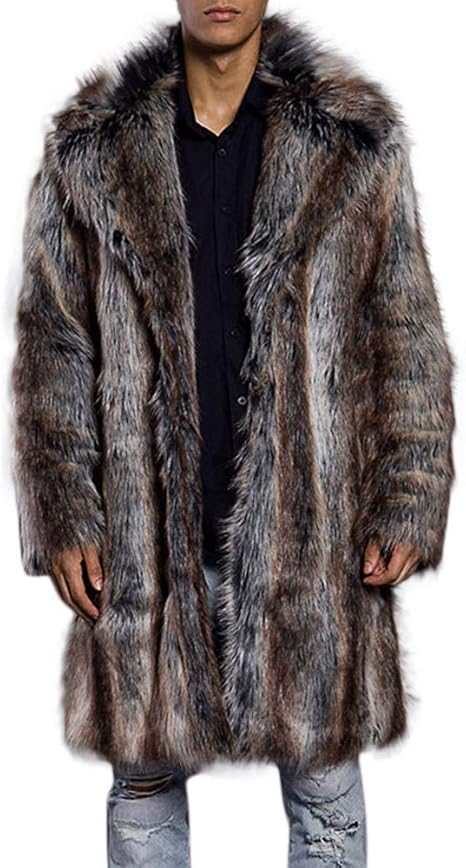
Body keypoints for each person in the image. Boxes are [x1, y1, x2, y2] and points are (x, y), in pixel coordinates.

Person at [11, 2, 455, 866]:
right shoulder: (91, 150)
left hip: (313, 542)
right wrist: (63, 511)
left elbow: (404, 332)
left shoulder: (354, 143)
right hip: (144, 542)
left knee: (326, 801)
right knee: (145, 798)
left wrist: (409, 496)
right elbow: (55, 343)